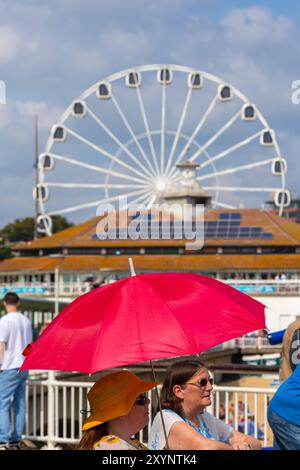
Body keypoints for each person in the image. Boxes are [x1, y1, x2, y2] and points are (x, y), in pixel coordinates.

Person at [149, 360, 261, 450]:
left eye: (210, 381)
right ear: (179, 391)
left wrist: (245, 446)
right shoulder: (166, 419)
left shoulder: (203, 417)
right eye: (202, 383)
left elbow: (254, 442)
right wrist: (234, 448)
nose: (210, 387)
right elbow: (206, 447)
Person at [77, 370, 159, 450]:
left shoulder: (128, 443)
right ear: (119, 412)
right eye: (141, 399)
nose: (148, 401)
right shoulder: (111, 447)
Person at [0, 292, 33, 450]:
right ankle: (15, 440)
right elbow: (29, 346)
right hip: (23, 366)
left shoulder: (4, 321)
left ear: (5, 304)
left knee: (2, 403)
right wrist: (22, 359)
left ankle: (2, 440)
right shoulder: (26, 320)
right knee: (19, 403)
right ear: (18, 303)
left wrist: (0, 364)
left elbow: (1, 345)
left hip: (8, 367)